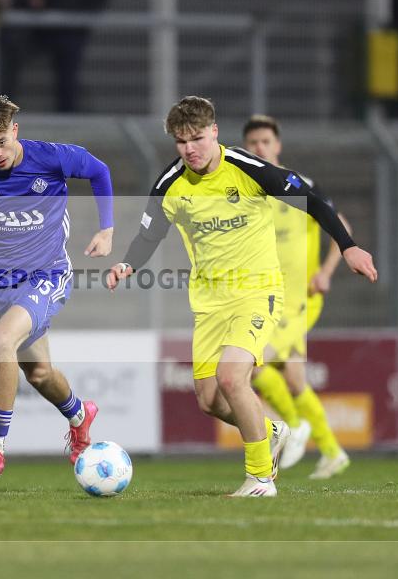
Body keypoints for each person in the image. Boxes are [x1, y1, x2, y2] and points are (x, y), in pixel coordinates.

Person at [106, 97, 377, 497]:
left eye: (197, 138)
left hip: (257, 291)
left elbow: (312, 199)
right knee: (210, 401)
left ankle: (260, 478)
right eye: (181, 141)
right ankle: (271, 431)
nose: (189, 149)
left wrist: (348, 246)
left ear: (215, 132)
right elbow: (150, 234)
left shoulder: (247, 168)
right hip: (209, 303)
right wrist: (127, 264)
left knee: (232, 377)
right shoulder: (169, 184)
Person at [0, 95, 114, 476]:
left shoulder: (51, 157)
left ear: (15, 131)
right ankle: (80, 416)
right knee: (38, 373)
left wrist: (107, 229)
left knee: (1, 341)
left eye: (2, 142)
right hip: (4, 286)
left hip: (48, 275)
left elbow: (99, 171)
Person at [243, 115, 353, 479]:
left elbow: (342, 225)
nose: (259, 147)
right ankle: (333, 453)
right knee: (293, 380)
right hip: (268, 299)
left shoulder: (299, 185)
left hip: (300, 299)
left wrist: (326, 272)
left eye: (265, 141)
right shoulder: (247, 190)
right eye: (253, 143)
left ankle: (292, 428)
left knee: (255, 365)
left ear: (277, 146)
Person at [0, 0, 110, 112]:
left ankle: (67, 117)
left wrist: (75, 17)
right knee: (5, 73)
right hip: (14, 36)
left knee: (67, 78)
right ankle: (0, 118)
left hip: (66, 33)